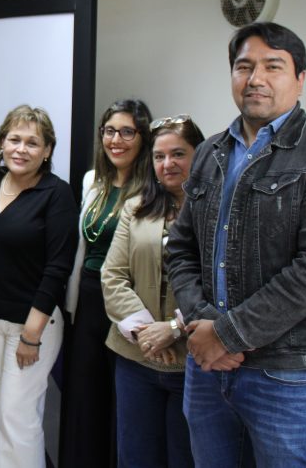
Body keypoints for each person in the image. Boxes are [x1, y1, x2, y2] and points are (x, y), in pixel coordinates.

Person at [167, 23, 306, 467]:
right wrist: (203, 325)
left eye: (273, 66)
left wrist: (226, 334)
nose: (255, 79)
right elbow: (180, 248)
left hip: (285, 375)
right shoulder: (211, 152)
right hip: (207, 369)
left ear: (300, 78)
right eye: (244, 67)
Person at [0, 105, 78, 467]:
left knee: (18, 417)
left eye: (32, 142)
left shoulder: (57, 194)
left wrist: (32, 334)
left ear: (47, 150)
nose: (21, 149)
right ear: (1, 142)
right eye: (14, 139)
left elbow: (58, 268)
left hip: (31, 325)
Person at [101, 115, 205, 468]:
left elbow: (220, 284)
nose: (167, 163)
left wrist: (173, 329)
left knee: (184, 458)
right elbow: (112, 275)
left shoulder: (216, 212)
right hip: (136, 359)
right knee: (135, 457)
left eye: (178, 154)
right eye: (159, 156)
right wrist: (148, 334)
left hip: (193, 362)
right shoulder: (136, 207)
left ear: (199, 155)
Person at [64, 98, 153, 468]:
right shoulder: (92, 181)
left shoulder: (153, 187)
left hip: (128, 303)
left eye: (127, 132)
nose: (116, 140)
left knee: (123, 400)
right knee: (86, 397)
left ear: (143, 137)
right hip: (87, 300)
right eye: (110, 131)